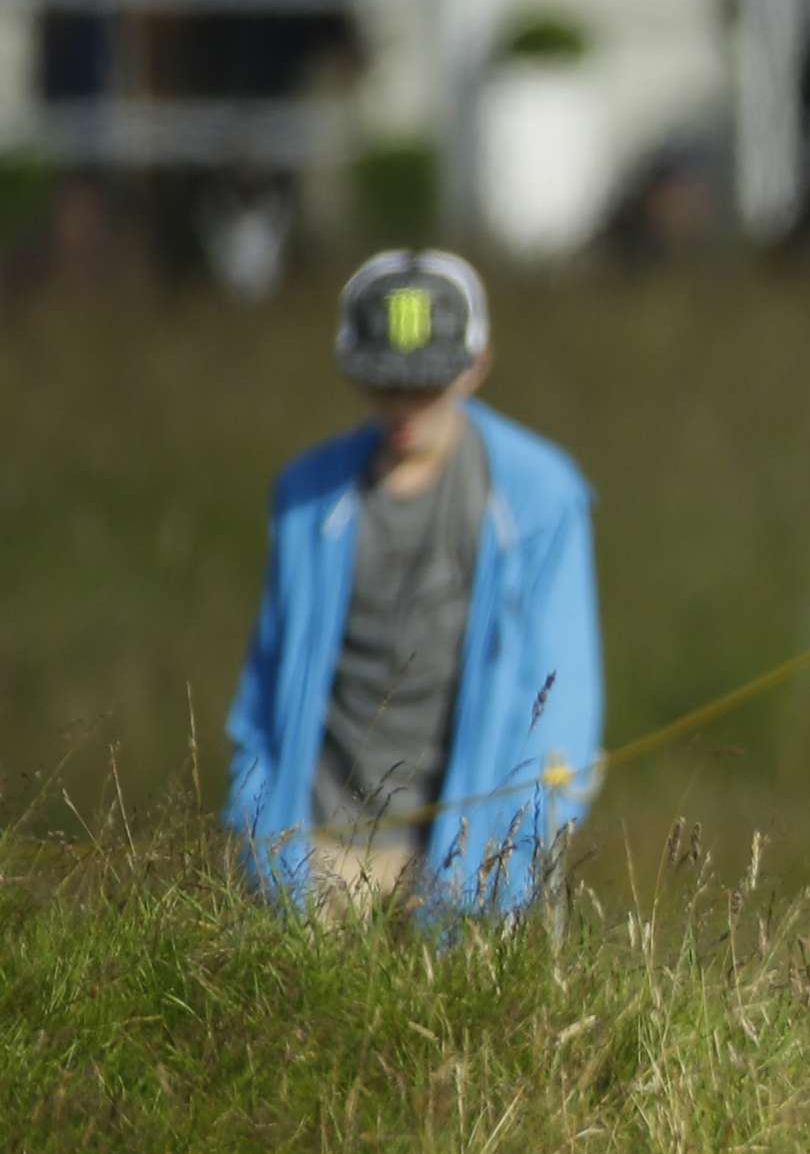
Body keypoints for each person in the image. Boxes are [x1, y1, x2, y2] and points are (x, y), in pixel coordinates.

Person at [225, 249, 602, 918]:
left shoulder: (541, 497)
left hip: (465, 865)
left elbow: (563, 702)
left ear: (475, 367)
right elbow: (265, 692)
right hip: (316, 852)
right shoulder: (306, 497)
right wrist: (261, 839)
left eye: (426, 382)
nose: (404, 405)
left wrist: (501, 867)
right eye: (383, 381)